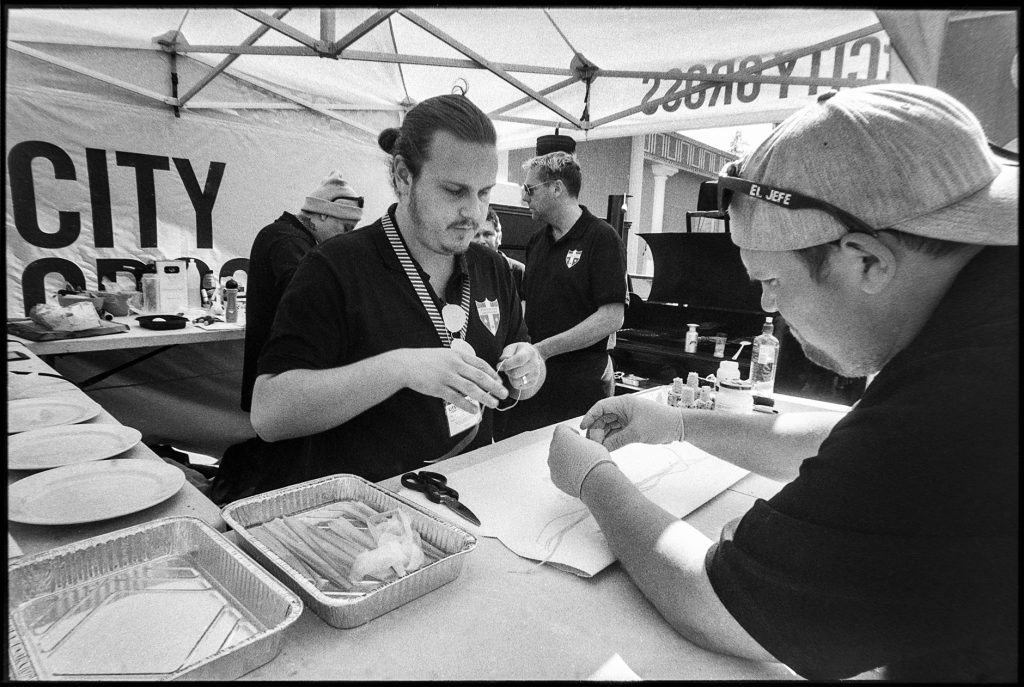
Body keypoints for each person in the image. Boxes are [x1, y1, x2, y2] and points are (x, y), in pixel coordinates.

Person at [547, 84, 1017, 681]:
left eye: (770, 279)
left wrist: (592, 478)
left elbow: (719, 605)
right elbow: (858, 440)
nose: (768, 308)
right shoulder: (985, 305)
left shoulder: (966, 396)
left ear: (866, 261)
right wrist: (682, 422)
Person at [249, 94, 546, 489]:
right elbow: (269, 414)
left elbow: (521, 370)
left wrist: (531, 368)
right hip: (364, 516)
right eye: (455, 191)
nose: (473, 213)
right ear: (405, 177)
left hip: (466, 497)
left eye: (483, 192)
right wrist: (400, 368)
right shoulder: (335, 267)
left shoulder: (491, 267)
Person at [499, 151, 629, 439]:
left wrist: (543, 350)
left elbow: (611, 318)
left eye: (529, 189)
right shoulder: (536, 242)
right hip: (532, 384)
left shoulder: (602, 238)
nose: (524, 197)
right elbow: (525, 307)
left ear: (557, 188)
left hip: (577, 391)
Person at [240, 171, 364, 412]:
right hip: (280, 374)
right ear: (322, 214)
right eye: (345, 227)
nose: (347, 237)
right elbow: (310, 303)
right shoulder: (288, 241)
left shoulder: (286, 235)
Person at [473, 205, 525, 299]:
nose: (481, 241)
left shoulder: (518, 272)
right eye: (476, 235)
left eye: (487, 234)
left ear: (499, 238)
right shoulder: (460, 272)